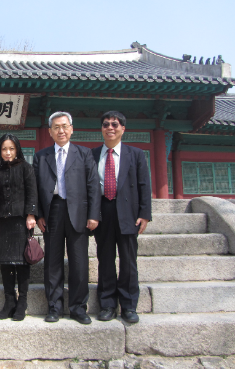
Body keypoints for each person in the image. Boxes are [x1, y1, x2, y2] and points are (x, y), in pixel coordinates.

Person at [33, 111, 101, 324]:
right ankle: (54, 307)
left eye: (64, 126)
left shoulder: (84, 154)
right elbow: (35, 188)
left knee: (79, 263)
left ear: (71, 129)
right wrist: (39, 214)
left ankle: (78, 308)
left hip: (79, 213)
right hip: (52, 211)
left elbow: (93, 186)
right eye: (56, 127)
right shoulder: (41, 156)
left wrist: (93, 215)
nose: (61, 130)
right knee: (52, 262)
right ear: (50, 132)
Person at [92, 111, 152, 324]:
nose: (110, 127)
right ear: (102, 128)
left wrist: (145, 214)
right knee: (105, 260)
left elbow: (144, 185)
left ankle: (128, 306)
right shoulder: (93, 154)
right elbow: (88, 188)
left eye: (115, 124)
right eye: (106, 124)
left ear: (122, 129)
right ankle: (107, 304)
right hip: (103, 214)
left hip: (128, 214)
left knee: (128, 261)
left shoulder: (135, 154)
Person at [0, 134, 38, 321]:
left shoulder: (26, 168)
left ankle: (22, 302)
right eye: (4, 149)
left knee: (22, 262)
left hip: (22, 220)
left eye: (11, 148)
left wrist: (31, 214)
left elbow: (32, 191)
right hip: (3, 222)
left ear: (17, 149)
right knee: (5, 262)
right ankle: (9, 300)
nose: (8, 152)